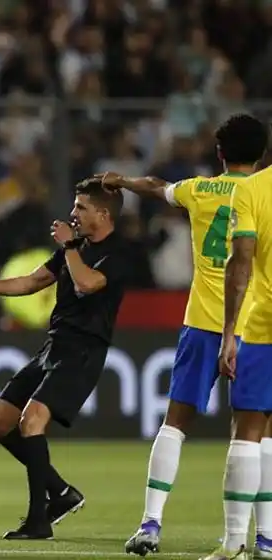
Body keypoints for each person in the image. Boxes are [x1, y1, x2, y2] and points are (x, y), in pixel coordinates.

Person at [83, 114, 269, 557]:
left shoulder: (200, 189)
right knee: (257, 433)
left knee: (175, 424)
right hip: (257, 326)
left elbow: (155, 184)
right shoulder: (262, 193)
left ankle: (150, 523)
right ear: (261, 154)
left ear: (220, 154)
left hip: (205, 322)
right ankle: (261, 538)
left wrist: (120, 180)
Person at [0, 181, 126, 540]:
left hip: (83, 351)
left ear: (103, 214)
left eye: (81, 207)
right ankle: (61, 493)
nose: (73, 214)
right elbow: (34, 281)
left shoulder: (118, 253)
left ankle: (38, 522)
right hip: (54, 346)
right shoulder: (75, 248)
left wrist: (67, 246)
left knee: (32, 420)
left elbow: (87, 284)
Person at [213, 129, 272, 560]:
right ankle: (268, 540)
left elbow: (241, 262)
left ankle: (235, 542)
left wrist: (229, 331)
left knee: (249, 430)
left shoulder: (252, 190)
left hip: (265, 325)